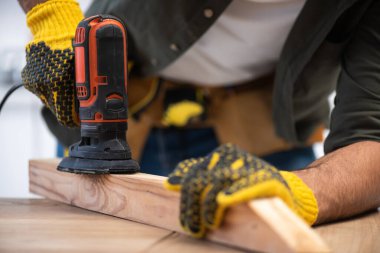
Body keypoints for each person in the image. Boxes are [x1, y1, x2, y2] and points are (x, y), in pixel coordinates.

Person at [18, 0, 380, 238]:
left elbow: (371, 136)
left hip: (262, 150)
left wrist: (299, 192)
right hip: (130, 120)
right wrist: (49, 13)